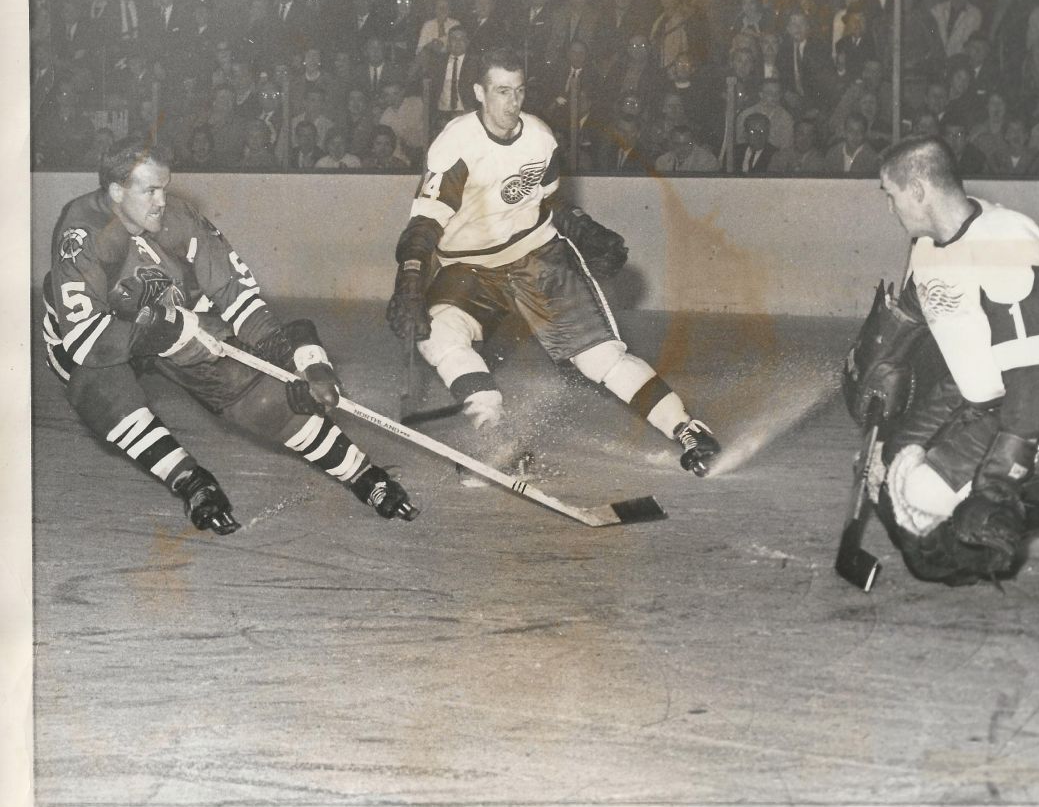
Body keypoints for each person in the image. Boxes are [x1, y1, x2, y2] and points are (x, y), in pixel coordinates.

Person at [40, 137, 416, 537]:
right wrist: (166, 330)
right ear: (116, 192)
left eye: (164, 188)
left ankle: (362, 474)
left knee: (262, 396)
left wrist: (303, 361)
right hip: (96, 339)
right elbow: (85, 340)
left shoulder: (181, 219)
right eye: (149, 190)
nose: (162, 201)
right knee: (102, 390)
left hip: (173, 322)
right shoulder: (82, 231)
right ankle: (191, 480)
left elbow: (239, 301)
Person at [384, 47, 722, 476]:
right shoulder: (455, 144)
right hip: (468, 267)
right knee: (438, 335)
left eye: (519, 91)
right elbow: (424, 224)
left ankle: (687, 429)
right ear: (478, 93)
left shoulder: (541, 139)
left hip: (536, 256)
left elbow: (548, 201)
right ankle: (496, 435)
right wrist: (410, 281)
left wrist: (580, 225)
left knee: (601, 360)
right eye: (501, 91)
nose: (512, 102)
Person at [843, 135, 1039, 585]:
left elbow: (1038, 381)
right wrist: (879, 358)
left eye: (890, 196)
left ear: (918, 191)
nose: (890, 209)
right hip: (991, 390)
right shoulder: (929, 243)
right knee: (893, 480)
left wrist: (998, 481)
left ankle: (998, 528)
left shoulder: (1004, 244)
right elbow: (916, 309)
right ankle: (966, 527)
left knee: (926, 498)